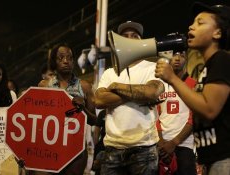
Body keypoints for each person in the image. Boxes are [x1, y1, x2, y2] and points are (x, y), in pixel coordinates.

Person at [155, 2, 230, 174]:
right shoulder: (208, 67)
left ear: (217, 33)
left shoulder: (221, 60)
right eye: (193, 22)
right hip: (214, 160)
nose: (191, 26)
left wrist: (172, 78)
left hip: (224, 160)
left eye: (200, 23)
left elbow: (209, 109)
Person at [94, 21, 165, 175]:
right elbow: (99, 100)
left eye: (135, 36)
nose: (130, 39)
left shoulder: (153, 67)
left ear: (142, 42)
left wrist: (116, 86)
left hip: (144, 149)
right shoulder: (109, 72)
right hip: (112, 149)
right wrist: (138, 93)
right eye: (125, 36)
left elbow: (152, 93)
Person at [33, 43, 96, 175]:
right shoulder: (44, 86)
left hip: (75, 151)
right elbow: (35, 118)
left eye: (69, 58)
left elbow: (94, 120)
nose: (66, 61)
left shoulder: (84, 87)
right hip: (48, 148)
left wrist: (83, 108)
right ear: (54, 62)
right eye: (61, 58)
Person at [156, 51, 197, 175]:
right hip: (161, 146)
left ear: (187, 58)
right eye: (174, 54)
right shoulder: (159, 85)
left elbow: (193, 118)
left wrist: (174, 142)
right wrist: (161, 142)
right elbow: (155, 117)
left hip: (185, 145)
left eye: (182, 55)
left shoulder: (193, 84)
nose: (177, 58)